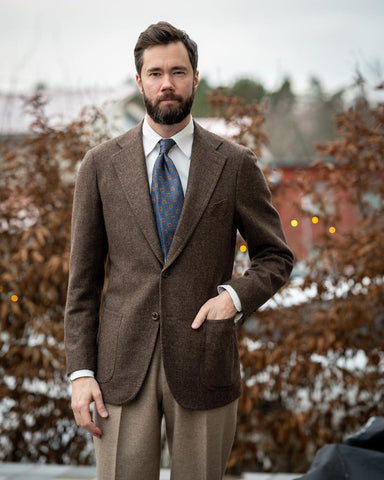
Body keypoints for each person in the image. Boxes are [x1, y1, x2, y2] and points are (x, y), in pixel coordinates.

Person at [64, 21, 294, 480]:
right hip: (120, 370)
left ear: (194, 77)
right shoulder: (100, 165)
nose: (166, 83)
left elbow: (276, 256)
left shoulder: (234, 164)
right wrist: (80, 373)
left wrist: (234, 296)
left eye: (178, 71)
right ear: (139, 81)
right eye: (155, 73)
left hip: (206, 361)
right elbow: (83, 283)